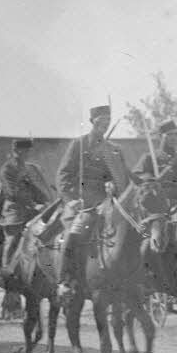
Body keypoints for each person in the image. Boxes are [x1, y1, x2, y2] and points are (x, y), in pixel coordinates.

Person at [55, 104, 127, 297]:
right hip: (81, 203)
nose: (105, 124)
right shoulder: (78, 145)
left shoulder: (113, 150)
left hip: (106, 202)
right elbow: (62, 176)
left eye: (108, 121)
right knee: (74, 232)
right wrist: (70, 200)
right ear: (92, 122)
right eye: (101, 120)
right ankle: (65, 280)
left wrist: (113, 185)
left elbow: (121, 177)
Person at [0, 137, 53, 281]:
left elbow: (38, 188)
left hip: (34, 210)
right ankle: (7, 273)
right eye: (24, 150)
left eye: (28, 150)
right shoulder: (7, 169)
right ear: (15, 150)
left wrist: (47, 202)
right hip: (15, 212)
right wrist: (34, 205)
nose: (27, 153)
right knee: (13, 239)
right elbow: (12, 192)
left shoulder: (31, 168)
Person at [133, 119, 177, 208]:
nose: (173, 137)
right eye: (169, 134)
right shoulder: (149, 157)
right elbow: (138, 180)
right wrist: (151, 180)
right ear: (160, 137)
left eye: (175, 134)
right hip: (157, 205)